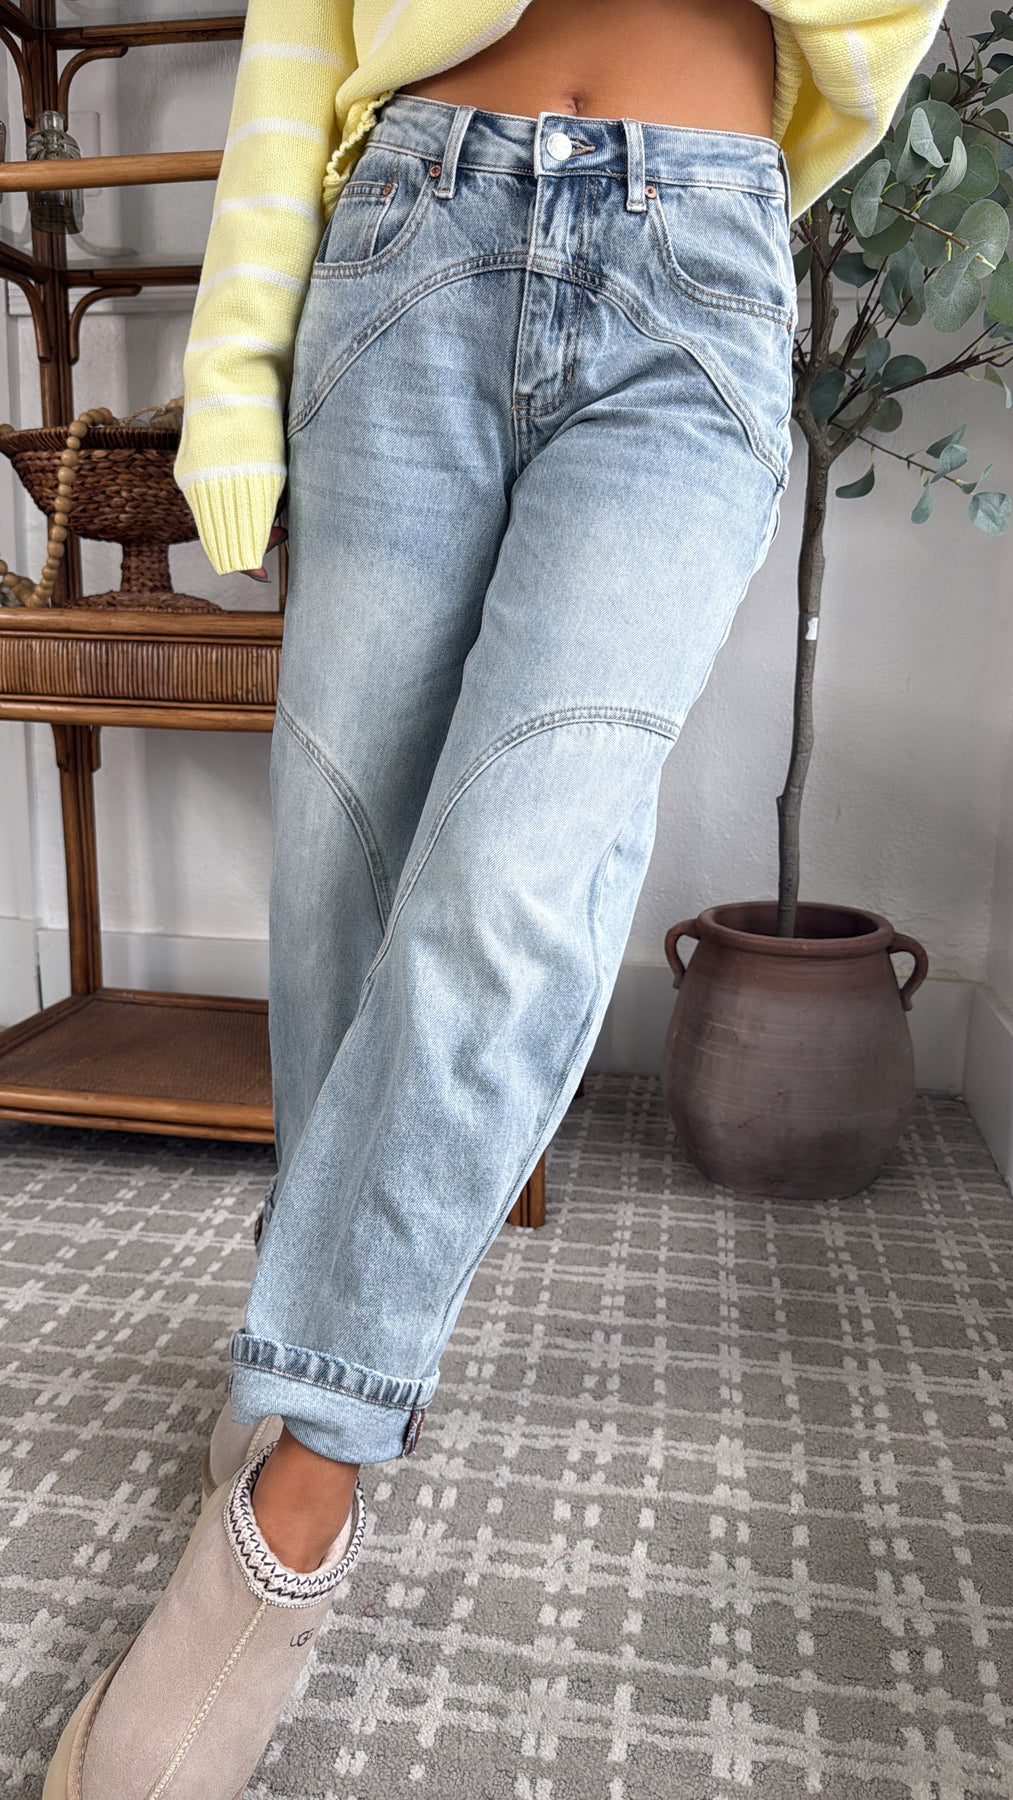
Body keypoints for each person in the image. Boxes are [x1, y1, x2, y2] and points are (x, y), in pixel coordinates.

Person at [42, 2, 946, 1794]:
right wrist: (231, 366)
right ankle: (298, 1358)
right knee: (342, 877)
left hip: (692, 256)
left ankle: (303, 1486)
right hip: (407, 236)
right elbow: (302, 36)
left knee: (514, 880)